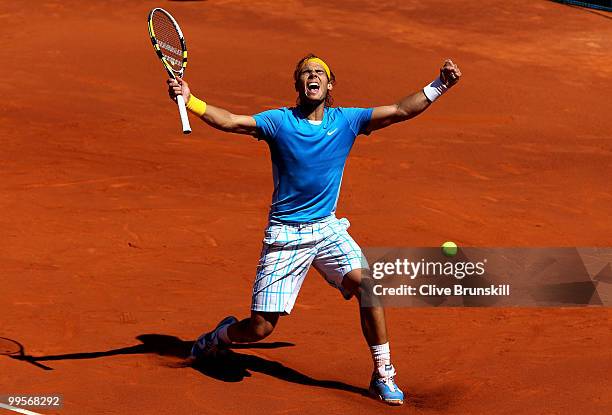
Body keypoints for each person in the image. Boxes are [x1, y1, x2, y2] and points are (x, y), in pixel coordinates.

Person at [167, 54, 461, 405]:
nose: (313, 76)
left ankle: (383, 374)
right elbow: (232, 121)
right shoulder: (279, 122)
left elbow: (400, 110)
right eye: (306, 72)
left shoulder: (347, 121)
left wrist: (441, 84)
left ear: (329, 84)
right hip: (285, 236)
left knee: (369, 286)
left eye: (319, 72)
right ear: (299, 86)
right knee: (260, 329)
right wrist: (192, 100)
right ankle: (219, 337)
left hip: (326, 229)